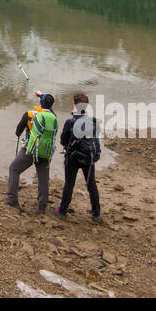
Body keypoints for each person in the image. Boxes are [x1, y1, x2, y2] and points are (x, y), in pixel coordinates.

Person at [6, 91, 57, 214]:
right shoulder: (53, 117)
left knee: (14, 169)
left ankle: (12, 200)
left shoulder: (29, 114)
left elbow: (18, 131)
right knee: (43, 178)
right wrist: (42, 95)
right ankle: (42, 206)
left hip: (30, 150)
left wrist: (21, 135)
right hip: (45, 152)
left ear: (40, 103)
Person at [55, 92, 102, 221]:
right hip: (89, 157)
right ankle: (96, 214)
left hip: (73, 158)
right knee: (91, 185)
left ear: (74, 104)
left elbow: (63, 141)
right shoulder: (94, 121)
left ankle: (62, 211)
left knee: (69, 184)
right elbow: (96, 138)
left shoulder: (70, 122)